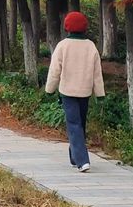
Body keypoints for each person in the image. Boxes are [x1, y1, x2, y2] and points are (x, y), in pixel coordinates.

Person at [45, 10, 105, 173]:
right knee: (80, 124)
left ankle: (82, 161)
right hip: (85, 92)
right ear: (84, 28)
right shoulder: (90, 46)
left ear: (67, 27)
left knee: (74, 124)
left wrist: (50, 89)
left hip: (68, 92)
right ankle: (75, 156)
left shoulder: (63, 46)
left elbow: (54, 70)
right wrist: (100, 93)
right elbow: (97, 73)